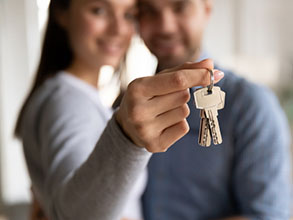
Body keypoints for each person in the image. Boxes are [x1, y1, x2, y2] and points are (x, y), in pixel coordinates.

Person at [15, 0, 224, 219]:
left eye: (128, 15)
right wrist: (127, 139)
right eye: (99, 10)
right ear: (61, 12)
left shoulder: (74, 96)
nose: (119, 29)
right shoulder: (68, 102)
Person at [135, 0, 292, 219]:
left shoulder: (250, 105)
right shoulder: (127, 106)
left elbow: (267, 215)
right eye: (149, 11)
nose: (165, 27)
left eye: (180, 7)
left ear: (206, 10)